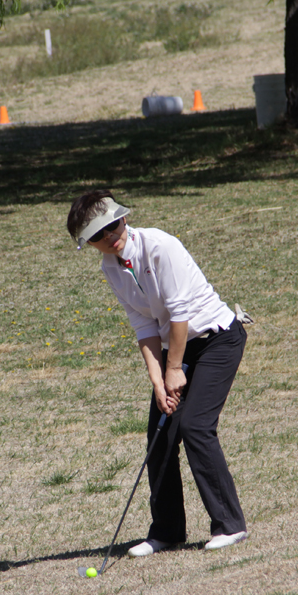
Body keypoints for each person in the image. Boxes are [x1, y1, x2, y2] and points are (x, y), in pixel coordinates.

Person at [67, 190, 249, 556]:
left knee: (195, 425)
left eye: (114, 225)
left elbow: (179, 314)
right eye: (99, 235)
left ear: (124, 219)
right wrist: (158, 379)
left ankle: (230, 525)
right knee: (160, 436)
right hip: (176, 349)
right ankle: (166, 531)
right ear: (90, 243)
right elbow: (143, 323)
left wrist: (174, 370)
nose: (110, 236)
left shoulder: (160, 246)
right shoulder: (110, 267)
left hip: (216, 339)